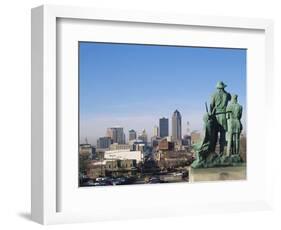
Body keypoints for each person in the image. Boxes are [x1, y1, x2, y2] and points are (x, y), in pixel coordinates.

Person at [210, 81, 231, 154]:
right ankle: (221, 152)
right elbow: (230, 97)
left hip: (216, 116)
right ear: (223, 87)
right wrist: (224, 91)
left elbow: (211, 106)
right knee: (223, 135)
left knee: (214, 134)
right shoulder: (226, 94)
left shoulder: (214, 94)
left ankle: (212, 151)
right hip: (224, 115)